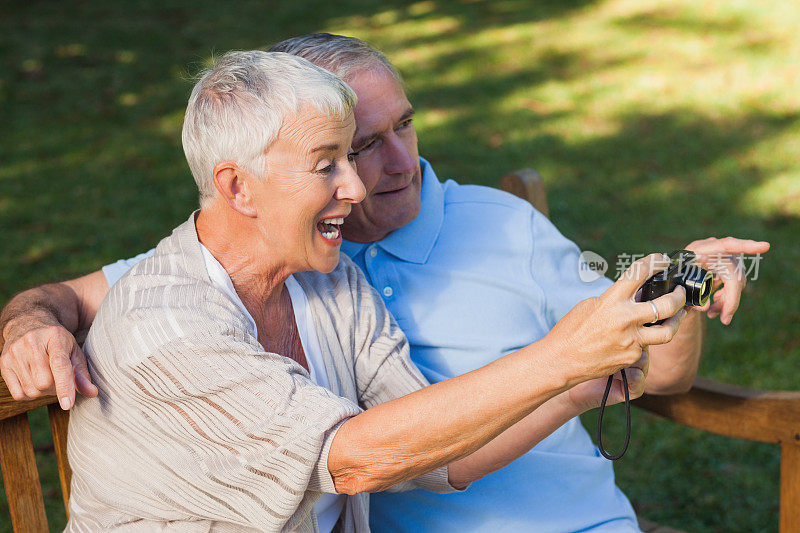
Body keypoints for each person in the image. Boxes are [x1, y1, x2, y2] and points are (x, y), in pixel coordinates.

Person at [0, 35, 769, 532]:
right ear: (241, 188)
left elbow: (440, 458)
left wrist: (591, 367)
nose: (372, 180)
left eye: (395, 131)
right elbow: (351, 458)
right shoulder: (176, 308)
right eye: (339, 156)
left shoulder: (326, 280)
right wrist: (563, 359)